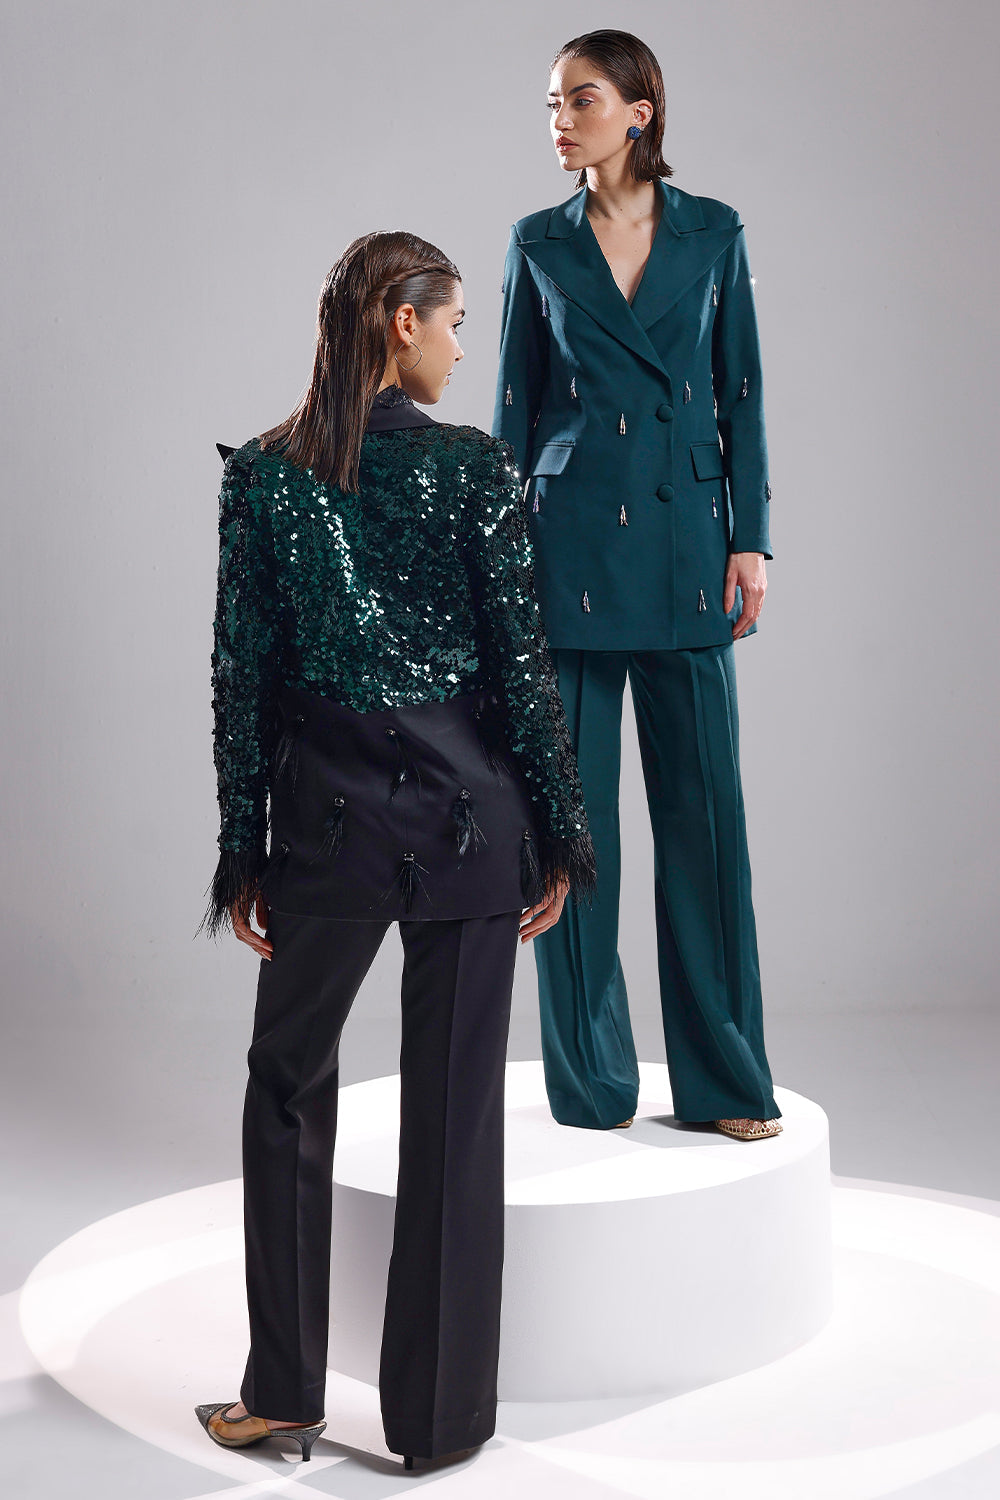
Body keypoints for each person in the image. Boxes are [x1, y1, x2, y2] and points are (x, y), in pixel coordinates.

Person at [195, 230, 596, 1470]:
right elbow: (521, 670)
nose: (463, 347)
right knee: (453, 1118)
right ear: (401, 322)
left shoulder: (266, 478)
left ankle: (283, 1394)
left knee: (284, 1090)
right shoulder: (473, 469)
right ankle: (435, 1428)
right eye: (455, 320)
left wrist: (244, 847)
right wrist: (561, 831)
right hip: (470, 823)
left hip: (326, 825)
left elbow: (243, 681)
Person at [493, 29, 782, 1142]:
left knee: (706, 829)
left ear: (639, 111)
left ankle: (727, 1084)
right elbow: (514, 408)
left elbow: (741, 394)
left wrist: (748, 540)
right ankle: (591, 1084)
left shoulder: (713, 230)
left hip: (684, 548)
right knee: (572, 834)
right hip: (564, 550)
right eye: (551, 103)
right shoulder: (537, 242)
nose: (560, 120)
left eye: (581, 99)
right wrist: (499, 558)